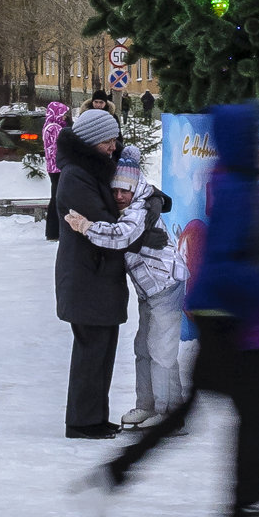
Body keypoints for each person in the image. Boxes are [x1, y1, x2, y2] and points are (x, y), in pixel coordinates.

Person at [72, 103, 259, 517]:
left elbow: (255, 259)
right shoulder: (236, 190)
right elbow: (228, 269)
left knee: (202, 414)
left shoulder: (241, 186)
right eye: (258, 139)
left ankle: (113, 478)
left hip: (225, 316)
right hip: (227, 319)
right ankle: (245, 502)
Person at [65, 145, 188, 430]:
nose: (120, 196)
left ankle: (170, 412)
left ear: (136, 189)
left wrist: (85, 226)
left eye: (126, 190)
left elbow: (120, 236)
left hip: (166, 286)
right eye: (115, 190)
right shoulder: (139, 202)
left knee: (161, 351)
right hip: (151, 289)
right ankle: (147, 406)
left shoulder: (139, 210)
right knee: (143, 348)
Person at [55, 108, 127, 439]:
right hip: (87, 277)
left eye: (115, 140)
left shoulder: (93, 172)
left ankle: (95, 416)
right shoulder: (76, 177)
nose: (114, 147)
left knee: (102, 350)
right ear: (92, 142)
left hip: (98, 276)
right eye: (108, 142)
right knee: (90, 351)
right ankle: (82, 422)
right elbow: (103, 224)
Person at [42, 101, 70, 242]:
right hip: (57, 168)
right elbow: (60, 147)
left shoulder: (49, 125)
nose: (65, 117)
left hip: (53, 167)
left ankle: (53, 231)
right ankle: (54, 231)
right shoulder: (54, 128)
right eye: (63, 114)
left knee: (56, 198)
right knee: (57, 199)